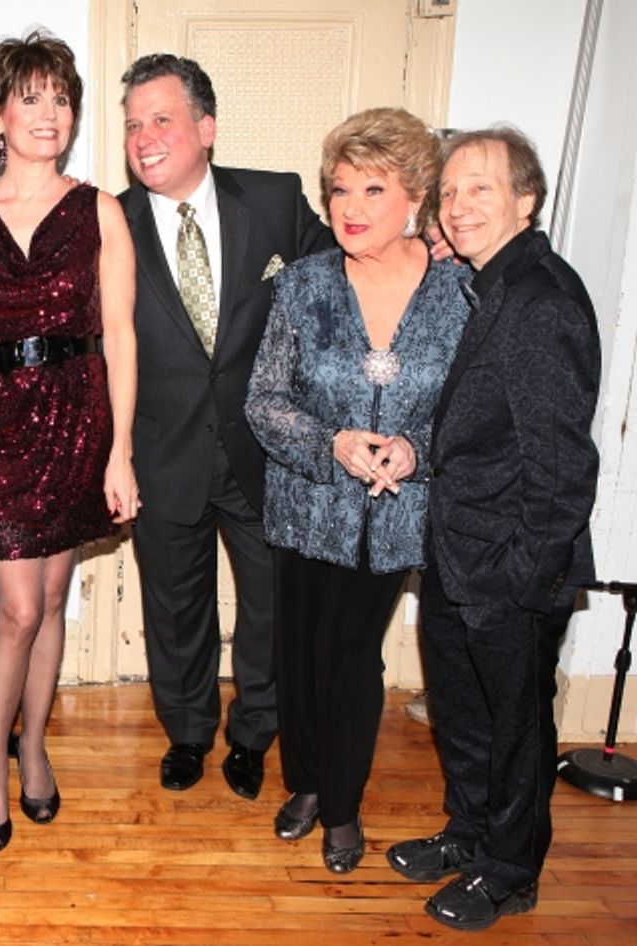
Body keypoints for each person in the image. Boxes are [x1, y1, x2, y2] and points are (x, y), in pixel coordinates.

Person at [0, 30, 139, 852]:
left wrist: (120, 452)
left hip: (77, 418)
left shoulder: (100, 211)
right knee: (15, 606)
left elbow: (119, 337)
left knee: (51, 600)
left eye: (61, 99)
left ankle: (35, 744)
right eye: (31, 98)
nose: (48, 114)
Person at [245, 108, 469, 873]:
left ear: (415, 196)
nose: (351, 207)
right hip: (306, 506)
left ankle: (341, 805)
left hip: (395, 518)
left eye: (374, 189)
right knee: (301, 654)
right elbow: (264, 401)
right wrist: (330, 442)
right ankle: (304, 784)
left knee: (351, 657)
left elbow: (474, 413)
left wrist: (417, 450)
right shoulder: (304, 284)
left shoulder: (461, 294)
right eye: (340, 189)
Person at [387, 127, 600, 931]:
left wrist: (519, 579)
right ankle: (470, 838)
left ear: (526, 199)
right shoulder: (493, 286)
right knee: (465, 717)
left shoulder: (540, 299)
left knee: (513, 731)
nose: (459, 205)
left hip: (507, 571)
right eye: (450, 191)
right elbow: (491, 434)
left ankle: (510, 872)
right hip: (458, 556)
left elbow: (561, 470)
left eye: (481, 187)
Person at [118, 54, 332, 798]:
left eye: (162, 119)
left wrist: (413, 249)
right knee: (175, 610)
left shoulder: (274, 202)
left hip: (263, 453)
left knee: (271, 607)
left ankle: (254, 732)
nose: (145, 136)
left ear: (205, 128)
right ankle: (187, 733)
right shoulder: (109, 222)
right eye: (134, 123)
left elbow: (338, 282)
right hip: (160, 452)